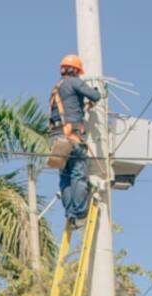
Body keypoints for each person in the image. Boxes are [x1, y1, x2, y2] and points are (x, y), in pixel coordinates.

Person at [49, 54, 103, 227]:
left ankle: (69, 214)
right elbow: (95, 96)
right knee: (78, 174)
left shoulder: (57, 88)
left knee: (65, 176)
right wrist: (98, 91)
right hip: (72, 135)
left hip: (56, 137)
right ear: (75, 71)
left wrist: (84, 106)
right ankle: (79, 213)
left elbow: (69, 108)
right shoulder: (75, 82)